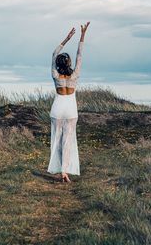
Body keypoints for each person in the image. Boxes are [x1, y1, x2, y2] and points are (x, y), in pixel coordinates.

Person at [47, 22, 90, 183]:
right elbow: (80, 55)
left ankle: (60, 170)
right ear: (69, 63)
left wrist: (66, 39)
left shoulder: (55, 75)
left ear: (58, 64)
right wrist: (82, 35)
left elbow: (53, 53)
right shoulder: (75, 75)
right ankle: (65, 170)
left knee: (56, 140)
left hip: (57, 109)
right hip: (70, 110)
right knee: (68, 141)